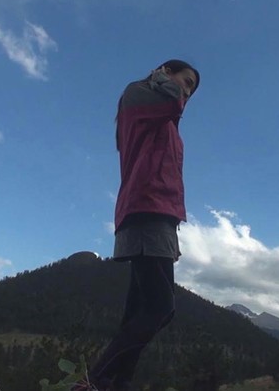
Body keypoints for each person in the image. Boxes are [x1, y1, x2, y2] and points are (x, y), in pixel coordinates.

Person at [74, 60, 200, 391]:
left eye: (191, 89)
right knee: (161, 307)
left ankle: (118, 382)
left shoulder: (164, 118)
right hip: (147, 208)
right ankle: (94, 382)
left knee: (139, 311)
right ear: (165, 71)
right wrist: (163, 82)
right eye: (186, 81)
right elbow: (173, 103)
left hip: (159, 214)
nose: (187, 92)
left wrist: (172, 228)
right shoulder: (139, 94)